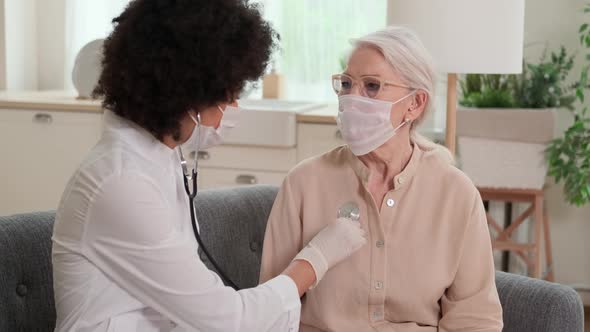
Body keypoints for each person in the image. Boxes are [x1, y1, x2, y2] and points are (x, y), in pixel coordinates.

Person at [51, 1, 366, 331]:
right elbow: (229, 320)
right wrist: (316, 259)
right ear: (182, 95)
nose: (232, 108)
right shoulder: (120, 183)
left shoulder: (159, 155)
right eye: (226, 96)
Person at [259, 26, 503, 332]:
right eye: (346, 84)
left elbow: (475, 318)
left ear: (415, 104)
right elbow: (270, 306)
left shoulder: (456, 194)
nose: (351, 98)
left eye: (372, 86)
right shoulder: (304, 183)